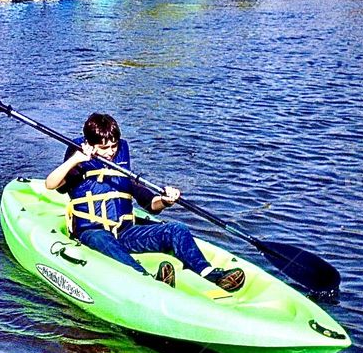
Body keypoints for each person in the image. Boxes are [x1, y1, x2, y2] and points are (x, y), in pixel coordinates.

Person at [45, 113, 245, 291]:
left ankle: (209, 273)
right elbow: (50, 184)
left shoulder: (122, 167)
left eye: (114, 146)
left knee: (177, 228)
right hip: (92, 232)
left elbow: (150, 204)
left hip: (124, 232)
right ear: (90, 144)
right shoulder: (78, 163)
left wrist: (166, 200)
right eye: (104, 148)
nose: (110, 152)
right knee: (102, 239)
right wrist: (76, 160)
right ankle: (147, 280)